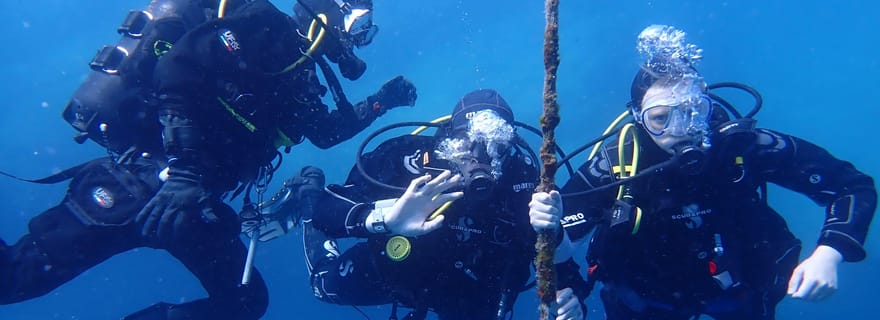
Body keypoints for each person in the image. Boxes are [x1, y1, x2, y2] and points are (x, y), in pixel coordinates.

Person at [0, 0, 416, 319]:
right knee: (14, 278)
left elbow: (324, 134)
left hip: (192, 206)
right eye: (360, 26)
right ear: (329, 10)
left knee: (244, 301)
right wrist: (184, 171)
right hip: (143, 181)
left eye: (367, 33)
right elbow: (177, 69)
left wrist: (382, 102)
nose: (358, 40)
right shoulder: (263, 25)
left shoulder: (300, 73)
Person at [529, 25, 876, 319]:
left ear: (707, 108)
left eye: (693, 111)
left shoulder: (742, 147)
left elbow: (851, 187)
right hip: (645, 296)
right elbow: (558, 238)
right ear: (638, 117)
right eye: (661, 118)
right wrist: (568, 284)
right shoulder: (617, 163)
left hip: (738, 286)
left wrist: (829, 254)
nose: (681, 130)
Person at [300, 89, 588, 320]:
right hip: (392, 273)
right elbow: (327, 211)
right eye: (466, 141)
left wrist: (573, 300)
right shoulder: (407, 159)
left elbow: (559, 266)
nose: (481, 157)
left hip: (467, 300)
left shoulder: (524, 186)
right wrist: (385, 219)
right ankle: (306, 193)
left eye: (496, 145)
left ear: (509, 146)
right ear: (449, 138)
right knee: (322, 287)